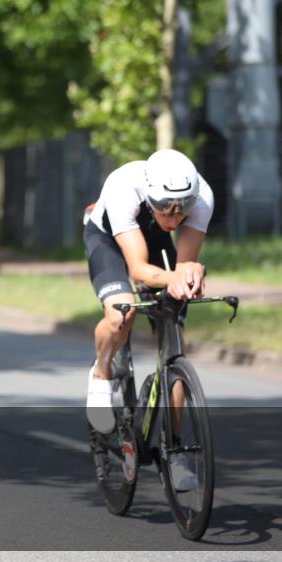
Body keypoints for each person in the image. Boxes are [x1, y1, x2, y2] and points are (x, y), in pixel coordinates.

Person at [83, 148, 214, 492]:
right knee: (120, 314)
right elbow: (139, 268)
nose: (174, 216)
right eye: (164, 206)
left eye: (182, 207)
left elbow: (183, 263)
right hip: (109, 241)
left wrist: (189, 275)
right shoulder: (123, 188)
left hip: (157, 245)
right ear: (149, 194)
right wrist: (173, 278)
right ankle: (101, 373)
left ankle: (176, 453)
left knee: (173, 340)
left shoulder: (202, 198)